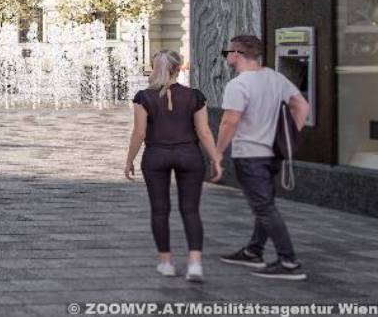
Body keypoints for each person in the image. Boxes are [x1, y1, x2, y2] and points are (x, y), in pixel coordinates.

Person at [215, 35, 311, 280]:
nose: (227, 56)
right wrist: (288, 135)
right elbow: (302, 106)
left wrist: (217, 152)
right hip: (272, 154)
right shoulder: (275, 78)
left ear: (236, 54)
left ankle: (289, 262)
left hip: (250, 155)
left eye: (228, 51)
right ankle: (253, 251)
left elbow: (230, 121)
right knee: (265, 204)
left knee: (265, 207)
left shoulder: (238, 85)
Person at [124, 50, 223, 282]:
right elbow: (204, 131)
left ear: (154, 68)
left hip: (156, 155)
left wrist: (129, 160)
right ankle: (195, 265)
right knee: (190, 210)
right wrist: (216, 158)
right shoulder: (195, 96)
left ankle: (166, 263)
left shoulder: (143, 97)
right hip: (189, 155)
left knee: (160, 210)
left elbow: (139, 133)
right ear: (178, 69)